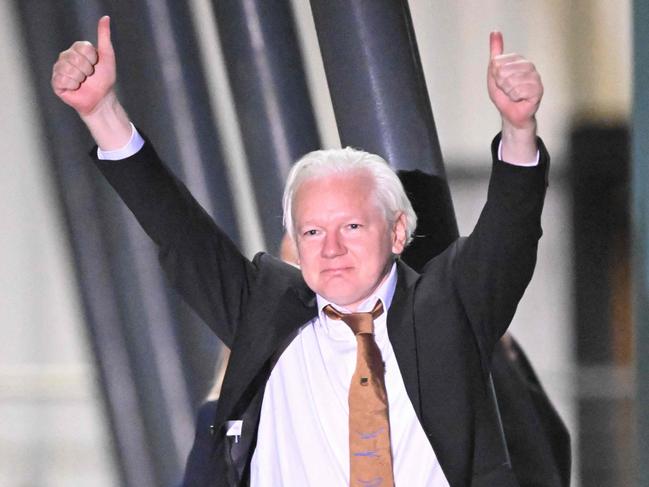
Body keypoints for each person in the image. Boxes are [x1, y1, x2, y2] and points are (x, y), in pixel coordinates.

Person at [52, 15, 548, 487]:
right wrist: (101, 112)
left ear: (397, 233)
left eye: (351, 226)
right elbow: (178, 230)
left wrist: (518, 130)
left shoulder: (448, 306)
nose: (330, 248)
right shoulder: (264, 309)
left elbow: (511, 233)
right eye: (311, 232)